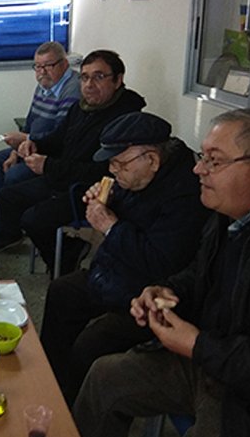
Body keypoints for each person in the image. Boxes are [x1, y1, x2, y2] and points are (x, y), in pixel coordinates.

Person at [73, 109, 250, 437]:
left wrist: (198, 344)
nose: (197, 169)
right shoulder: (231, 210)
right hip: (210, 357)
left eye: (213, 161)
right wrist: (166, 291)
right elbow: (199, 274)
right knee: (105, 377)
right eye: (203, 157)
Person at [40, 112, 208, 406]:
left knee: (90, 343)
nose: (112, 170)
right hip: (116, 273)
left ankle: (70, 408)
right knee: (62, 291)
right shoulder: (137, 177)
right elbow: (126, 211)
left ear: (153, 159)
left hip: (150, 296)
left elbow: (161, 263)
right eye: (111, 163)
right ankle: (49, 380)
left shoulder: (186, 195)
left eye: (119, 163)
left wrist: (111, 225)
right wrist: (103, 199)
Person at [0, 50, 146, 276]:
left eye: (99, 77)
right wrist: (34, 143)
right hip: (64, 177)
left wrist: (48, 166)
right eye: (84, 77)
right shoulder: (82, 107)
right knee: (9, 196)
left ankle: (66, 257)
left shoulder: (125, 120)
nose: (89, 84)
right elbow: (58, 139)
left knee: (33, 218)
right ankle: (24, 240)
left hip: (90, 190)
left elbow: (102, 172)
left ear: (118, 80)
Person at [0, 42, 81, 199]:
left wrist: (27, 139)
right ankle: (4, 220)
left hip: (56, 154)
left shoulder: (73, 88)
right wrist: (15, 150)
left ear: (64, 64)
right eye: (38, 66)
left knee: (14, 174)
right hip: (35, 146)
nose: (42, 72)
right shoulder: (44, 85)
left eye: (48, 65)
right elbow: (29, 123)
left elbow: (60, 136)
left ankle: (17, 219)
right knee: (0, 159)